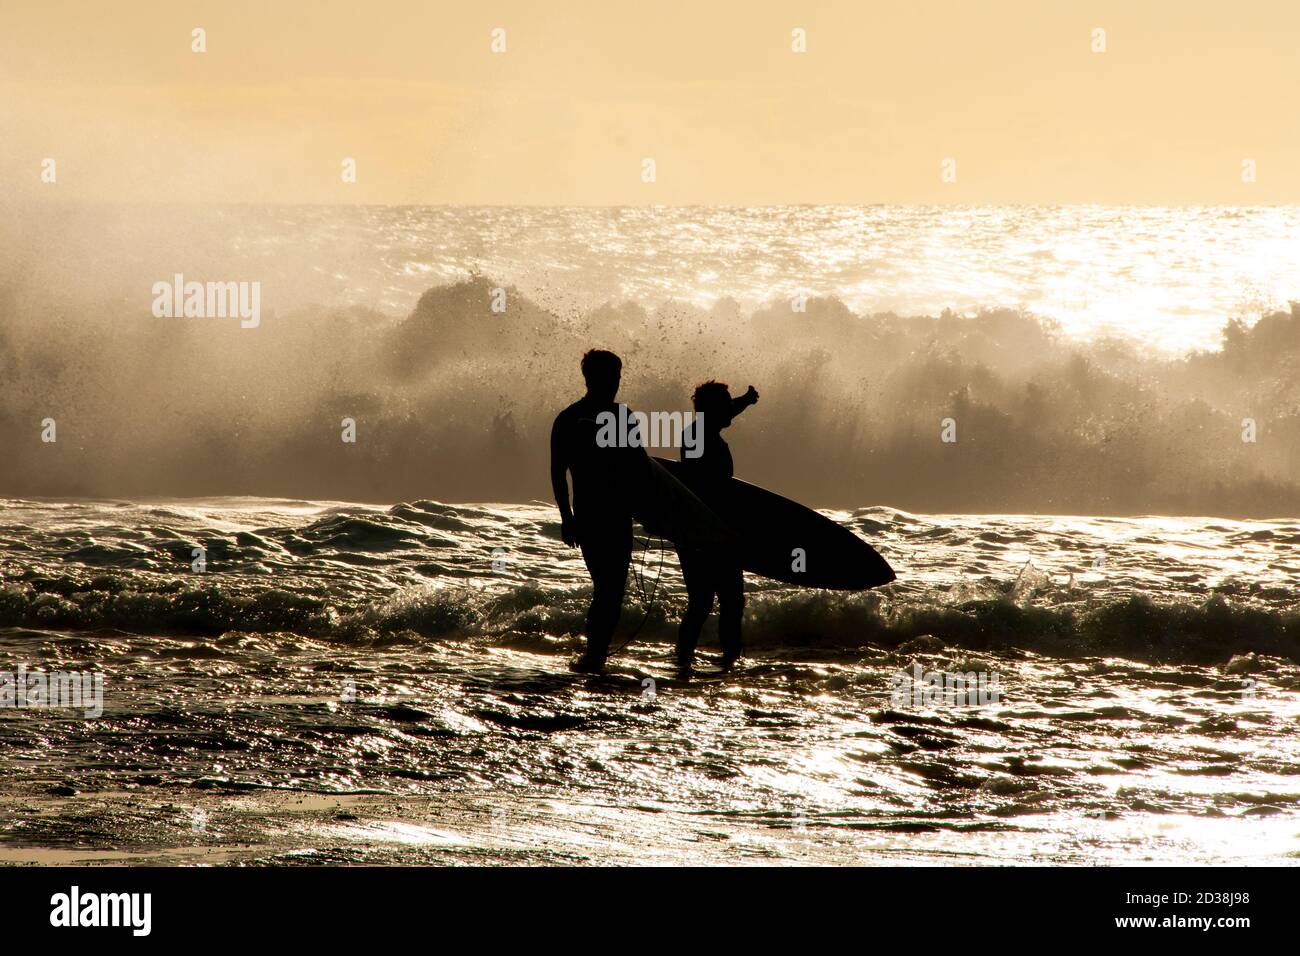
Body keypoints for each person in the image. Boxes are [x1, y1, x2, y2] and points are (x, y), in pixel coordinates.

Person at [550, 349, 646, 673]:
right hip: (592, 516)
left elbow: (638, 468)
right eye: (610, 377)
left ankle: (595, 656)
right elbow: (557, 471)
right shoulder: (569, 419)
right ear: (592, 378)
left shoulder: (623, 416)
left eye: (618, 377)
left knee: (611, 590)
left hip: (618, 516)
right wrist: (567, 518)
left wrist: (650, 512)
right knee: (608, 588)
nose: (616, 383)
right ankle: (594, 658)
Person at [675, 380, 759, 674]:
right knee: (714, 601)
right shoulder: (698, 437)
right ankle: (713, 661)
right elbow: (704, 488)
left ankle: (705, 660)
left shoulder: (703, 430)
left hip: (707, 531)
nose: (729, 411)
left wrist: (745, 401)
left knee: (718, 601)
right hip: (705, 532)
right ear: (713, 410)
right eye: (724, 404)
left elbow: (723, 413)